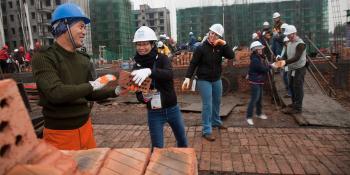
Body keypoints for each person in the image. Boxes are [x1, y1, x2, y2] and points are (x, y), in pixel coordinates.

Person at [32, 3, 120, 150]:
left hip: (86, 128)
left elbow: (89, 93)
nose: (84, 32)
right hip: (60, 135)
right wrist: (92, 84)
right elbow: (56, 93)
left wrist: (117, 90)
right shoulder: (44, 57)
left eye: (84, 27)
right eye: (80, 26)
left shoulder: (83, 59)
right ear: (63, 26)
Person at [131, 26, 188, 148]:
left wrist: (150, 71)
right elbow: (138, 93)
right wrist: (143, 98)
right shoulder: (136, 66)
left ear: (152, 44)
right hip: (154, 112)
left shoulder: (162, 59)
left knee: (182, 141)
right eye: (138, 44)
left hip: (172, 108)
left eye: (145, 44)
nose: (141, 47)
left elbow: (169, 74)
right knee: (157, 147)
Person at [182, 24, 235, 141]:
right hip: (203, 79)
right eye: (211, 33)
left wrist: (224, 44)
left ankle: (216, 121)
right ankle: (206, 129)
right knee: (207, 104)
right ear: (209, 33)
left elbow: (231, 55)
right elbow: (193, 63)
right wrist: (187, 77)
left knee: (217, 100)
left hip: (216, 79)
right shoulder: (201, 48)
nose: (213, 36)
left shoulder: (220, 47)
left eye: (216, 34)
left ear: (219, 37)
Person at [277, 25, 307, 114]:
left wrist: (284, 62)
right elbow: (286, 55)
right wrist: (281, 59)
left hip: (299, 69)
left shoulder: (300, 44)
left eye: (289, 35)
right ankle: (294, 104)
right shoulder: (289, 44)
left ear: (294, 33)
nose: (288, 37)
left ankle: (298, 108)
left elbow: (296, 57)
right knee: (291, 86)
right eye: (287, 35)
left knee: (298, 88)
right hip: (292, 68)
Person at [246, 41, 273, 125]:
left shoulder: (259, 57)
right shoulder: (255, 59)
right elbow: (263, 69)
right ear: (255, 50)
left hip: (259, 80)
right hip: (255, 81)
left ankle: (258, 113)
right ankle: (249, 117)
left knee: (259, 98)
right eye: (259, 48)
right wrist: (272, 66)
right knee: (254, 99)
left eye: (261, 48)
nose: (261, 49)